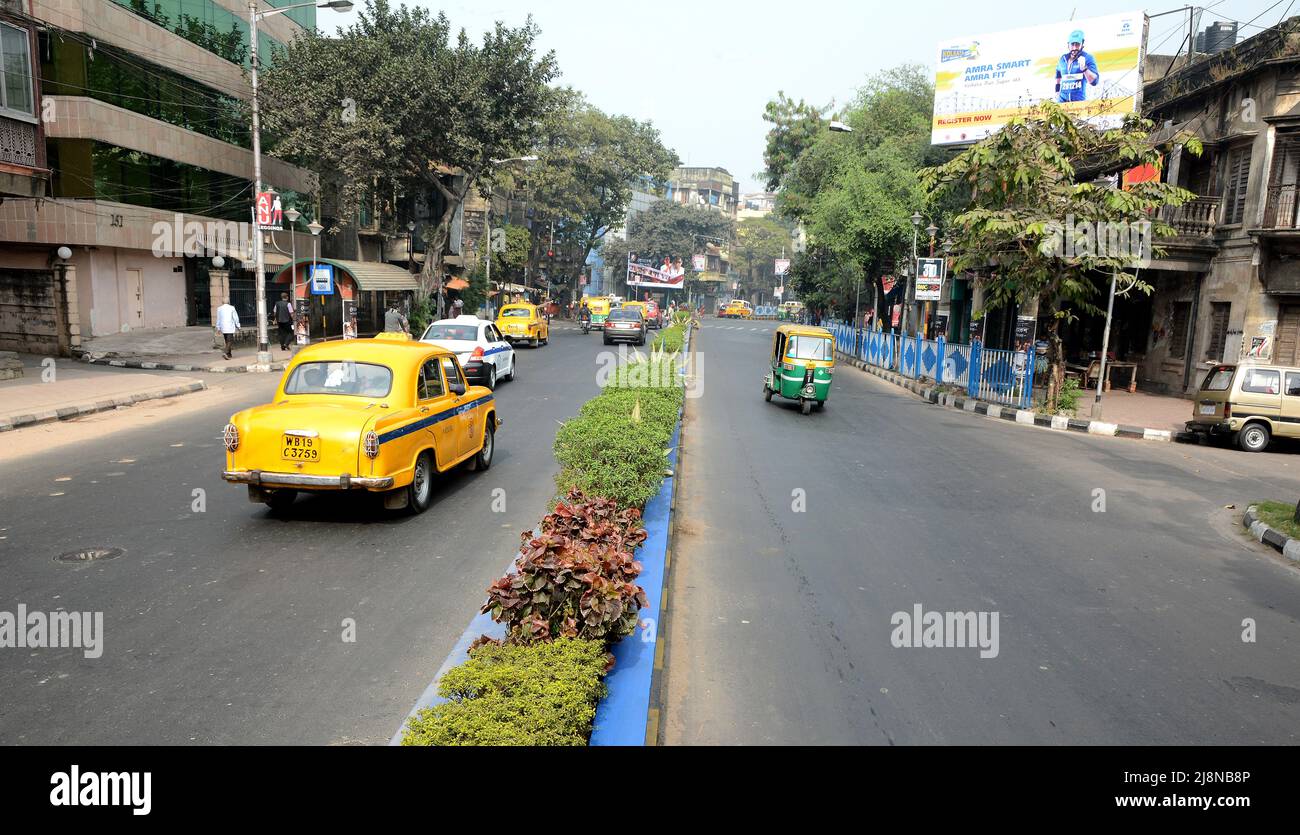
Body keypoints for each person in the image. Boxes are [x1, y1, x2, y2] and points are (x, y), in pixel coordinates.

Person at [1055, 29, 1099, 103]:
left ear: (1082, 44)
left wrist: (1084, 69)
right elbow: (1058, 73)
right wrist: (1057, 90)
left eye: (1077, 44)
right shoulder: (1063, 59)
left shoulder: (1088, 58)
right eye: (1072, 44)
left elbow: (1094, 81)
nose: (1075, 48)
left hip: (1079, 104)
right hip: (1062, 103)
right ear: (1068, 45)